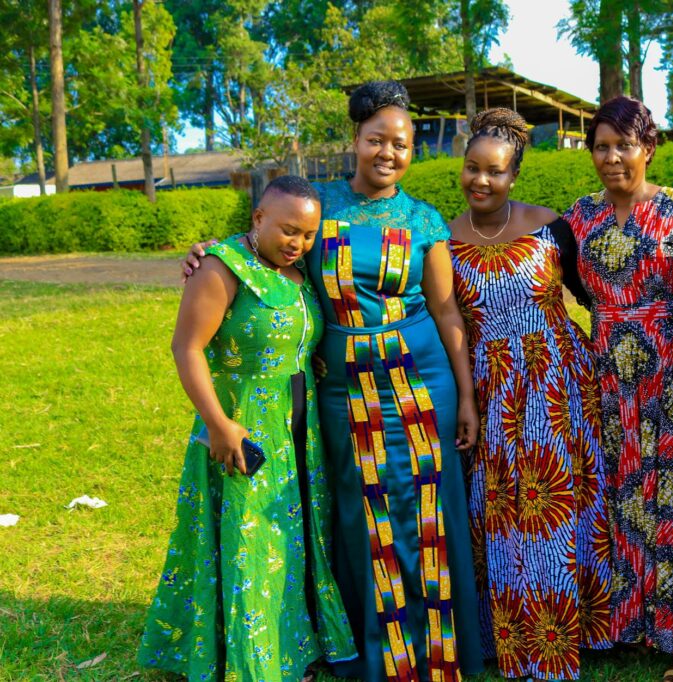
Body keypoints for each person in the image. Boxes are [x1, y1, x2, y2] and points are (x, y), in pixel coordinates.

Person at [181, 81, 484, 682]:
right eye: (377, 140)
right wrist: (205, 257)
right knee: (357, 510)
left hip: (423, 383)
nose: (389, 153)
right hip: (344, 388)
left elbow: (447, 311)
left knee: (427, 509)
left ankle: (435, 652)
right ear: (356, 141)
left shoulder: (424, 219)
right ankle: (366, 650)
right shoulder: (316, 205)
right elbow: (257, 246)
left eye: (402, 143)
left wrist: (467, 395)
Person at [138, 175, 358, 681]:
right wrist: (219, 425)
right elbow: (186, 347)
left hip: (299, 431)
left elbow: (298, 338)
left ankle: (294, 645)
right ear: (257, 218)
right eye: (286, 230)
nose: (296, 242)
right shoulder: (221, 266)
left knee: (292, 539)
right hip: (243, 427)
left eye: (306, 234)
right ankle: (252, 659)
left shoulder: (300, 272)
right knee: (249, 540)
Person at [447, 108, 612, 680]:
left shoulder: (552, 227)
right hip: (491, 388)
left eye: (495, 171)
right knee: (502, 509)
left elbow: (594, 296)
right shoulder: (440, 241)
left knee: (563, 501)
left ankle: (577, 625)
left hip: (558, 380)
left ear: (514, 175)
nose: (481, 181)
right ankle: (507, 631)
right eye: (472, 168)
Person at [561, 96, 673, 676]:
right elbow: (572, 284)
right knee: (621, 488)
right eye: (600, 146)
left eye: (622, 145)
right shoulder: (579, 216)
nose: (610, 157)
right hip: (610, 372)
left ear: (647, 149)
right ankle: (625, 622)